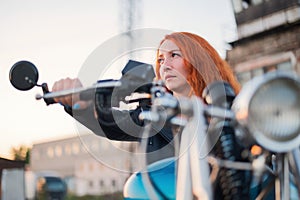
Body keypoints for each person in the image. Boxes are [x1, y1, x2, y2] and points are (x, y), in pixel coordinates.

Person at [52, 32, 240, 164]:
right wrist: (81, 103)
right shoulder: (151, 115)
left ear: (198, 60)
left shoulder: (233, 108)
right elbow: (107, 122)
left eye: (174, 55)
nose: (165, 65)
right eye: (160, 59)